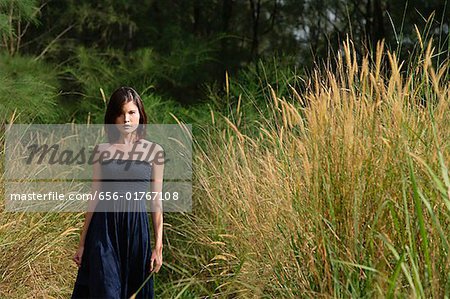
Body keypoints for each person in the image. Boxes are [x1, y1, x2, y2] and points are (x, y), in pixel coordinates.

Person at [71, 87, 164, 298]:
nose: (126, 119)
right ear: (113, 118)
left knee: (133, 291)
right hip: (103, 230)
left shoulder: (154, 151)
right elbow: (95, 196)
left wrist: (158, 245)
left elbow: (156, 201)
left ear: (140, 114)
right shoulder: (101, 151)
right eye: (121, 113)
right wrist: (82, 242)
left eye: (132, 112)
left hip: (135, 230)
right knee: (106, 291)